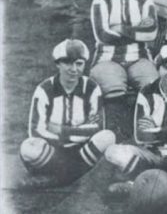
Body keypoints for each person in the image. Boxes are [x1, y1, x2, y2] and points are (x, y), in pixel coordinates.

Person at [104, 45, 167, 196]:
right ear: (159, 69)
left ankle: (142, 181)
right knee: (112, 151)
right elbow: (140, 136)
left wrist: (156, 130)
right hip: (151, 155)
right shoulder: (146, 91)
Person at [19, 39, 115, 187]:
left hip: (80, 152)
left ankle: (57, 179)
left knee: (108, 136)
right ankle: (73, 175)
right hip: (53, 151)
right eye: (68, 63)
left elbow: (97, 127)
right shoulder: (45, 89)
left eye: (79, 63)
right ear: (58, 64)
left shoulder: (91, 88)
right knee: (28, 147)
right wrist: (72, 135)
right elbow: (36, 129)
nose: (74, 69)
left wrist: (62, 131)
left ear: (84, 65)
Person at [90, 0, 159, 138]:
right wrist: (137, 31)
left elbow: (151, 33)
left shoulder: (145, 0)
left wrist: (120, 28)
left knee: (153, 85)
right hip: (107, 58)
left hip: (139, 57)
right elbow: (103, 35)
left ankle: (146, 133)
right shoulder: (101, 0)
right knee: (113, 87)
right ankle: (115, 133)